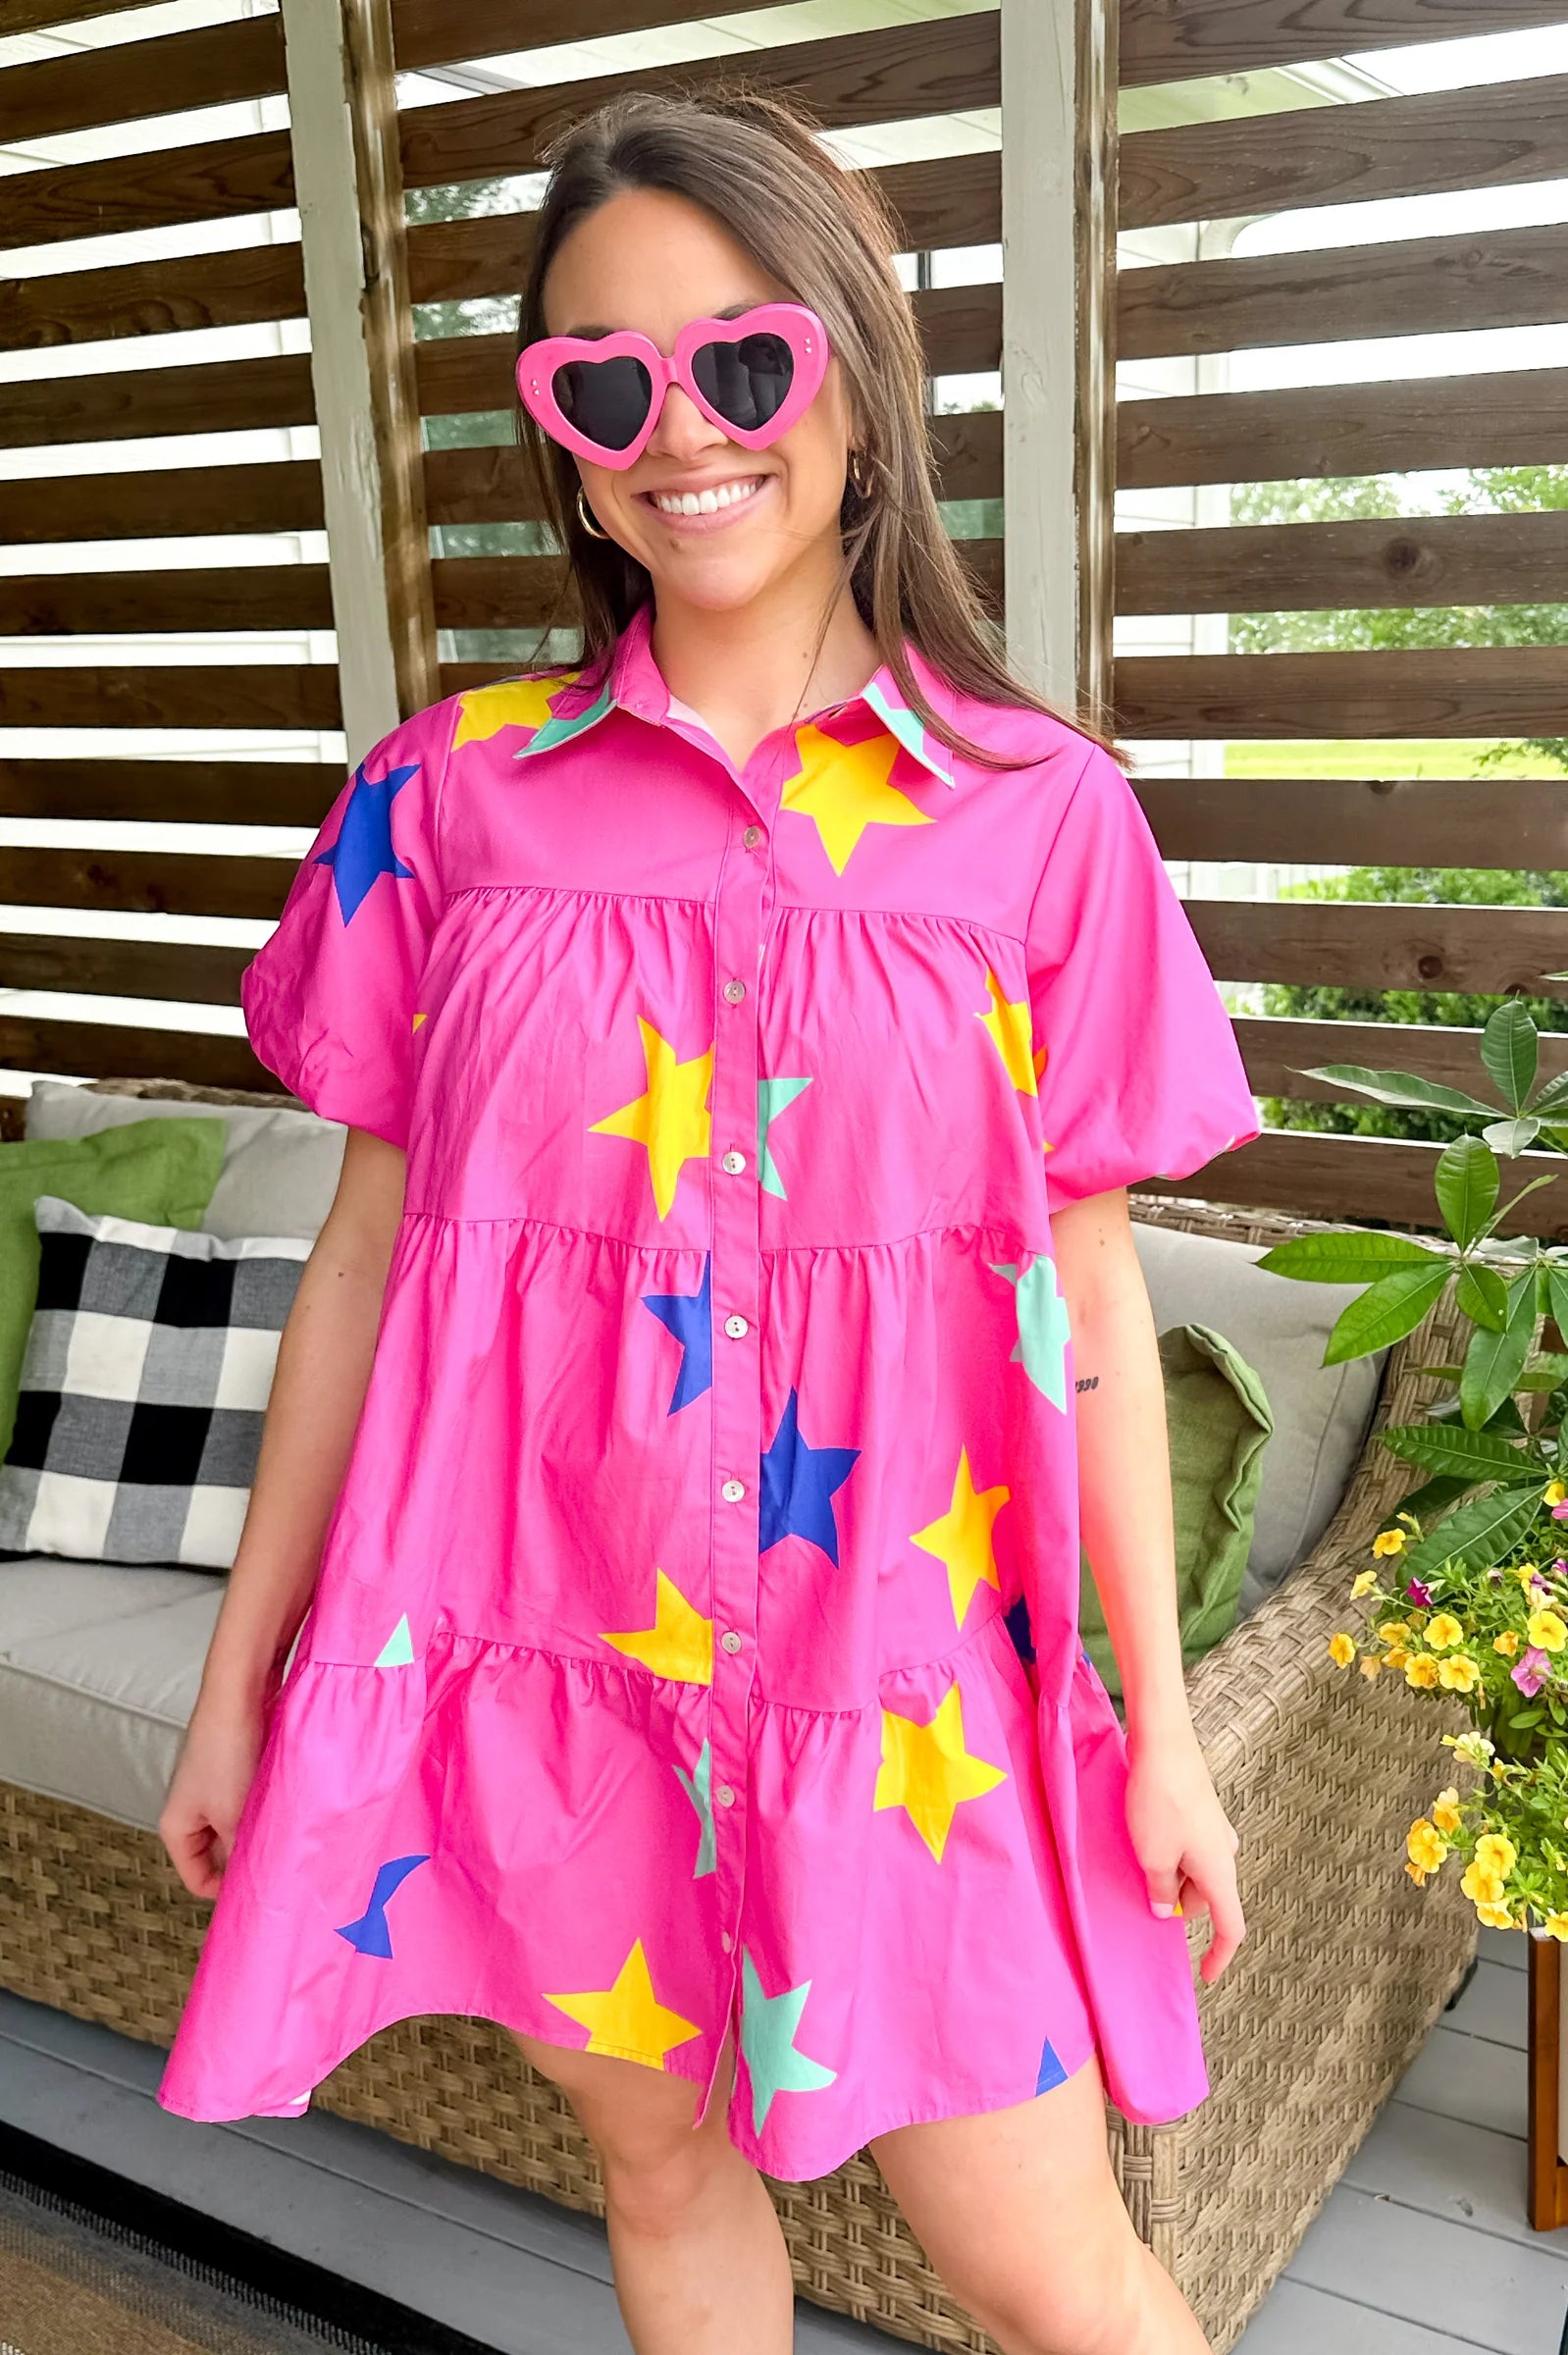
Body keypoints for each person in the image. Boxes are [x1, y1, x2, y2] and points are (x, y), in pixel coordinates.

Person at [156, 84, 1260, 2355]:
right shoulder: (443, 804)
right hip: (557, 1675)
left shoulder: (1042, 820)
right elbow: (361, 1265)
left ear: (857, 378)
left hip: (907, 1697)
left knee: (1048, 2270)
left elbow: (1084, 1287)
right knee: (657, 2172)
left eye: (744, 356)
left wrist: (1156, 1720)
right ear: (562, 438)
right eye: (607, 380)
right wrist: (240, 1680)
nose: (683, 427)